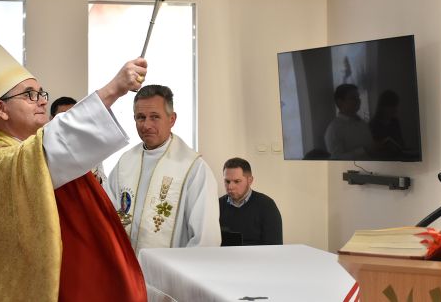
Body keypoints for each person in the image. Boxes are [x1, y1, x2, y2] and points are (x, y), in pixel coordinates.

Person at [0, 35, 147, 301]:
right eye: (29, 95)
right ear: (1, 109)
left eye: (41, 93)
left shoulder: (25, 152)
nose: (41, 101)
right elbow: (49, 148)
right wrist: (114, 89)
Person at [104, 84, 221, 253]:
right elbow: (107, 215)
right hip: (126, 273)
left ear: (172, 119)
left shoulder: (193, 168)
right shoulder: (125, 163)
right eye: (141, 117)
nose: (146, 125)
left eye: (155, 117)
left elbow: (206, 239)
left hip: (170, 276)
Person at [219, 157, 283, 246]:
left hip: (257, 258)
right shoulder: (217, 205)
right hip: (224, 258)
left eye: (237, 181)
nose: (230, 187)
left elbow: (274, 246)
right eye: (227, 181)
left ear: (250, 180)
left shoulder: (267, 206)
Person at [50, 96, 107, 185]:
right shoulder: (45, 146)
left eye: (73, 115)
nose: (68, 121)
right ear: (51, 119)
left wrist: (97, 179)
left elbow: (103, 179)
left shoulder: (91, 146)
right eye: (63, 116)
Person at [324, 83, 373, 159]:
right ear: (340, 102)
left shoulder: (362, 123)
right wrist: (364, 150)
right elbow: (336, 159)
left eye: (358, 97)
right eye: (353, 98)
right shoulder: (334, 129)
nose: (358, 101)